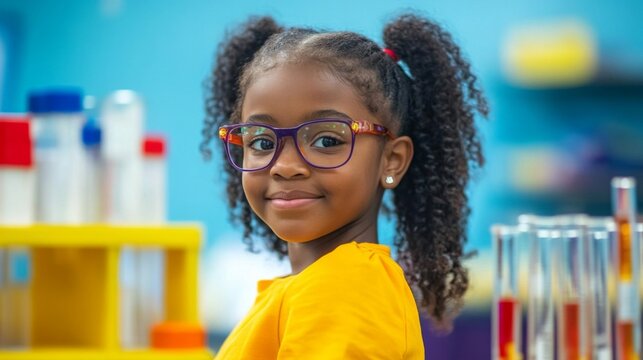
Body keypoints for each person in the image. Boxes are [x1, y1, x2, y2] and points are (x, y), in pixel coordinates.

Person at [201, 12, 488, 359]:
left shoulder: (346, 288)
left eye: (325, 141)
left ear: (391, 160)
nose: (285, 166)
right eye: (262, 143)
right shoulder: (317, 285)